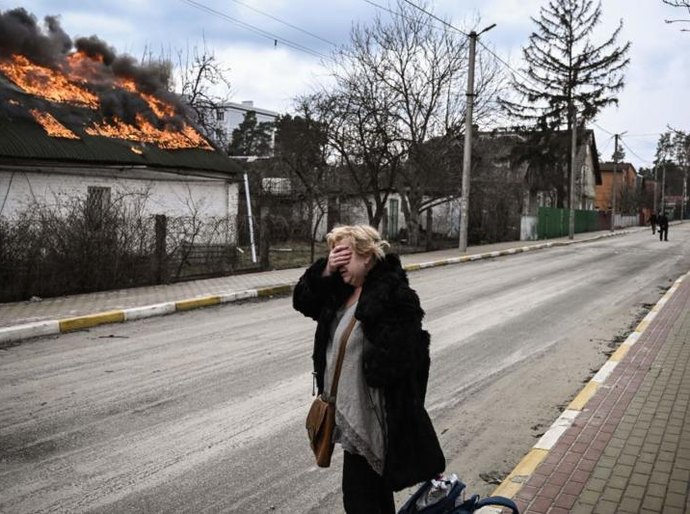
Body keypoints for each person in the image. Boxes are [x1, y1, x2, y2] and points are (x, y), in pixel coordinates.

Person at [293, 225, 445, 514]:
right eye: (333, 255)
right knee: (369, 501)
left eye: (344, 255)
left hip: (373, 421)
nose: (338, 263)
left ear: (367, 256)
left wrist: (376, 364)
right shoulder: (341, 290)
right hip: (350, 419)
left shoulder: (393, 296)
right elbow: (303, 301)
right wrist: (326, 269)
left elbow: (410, 360)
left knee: (362, 501)